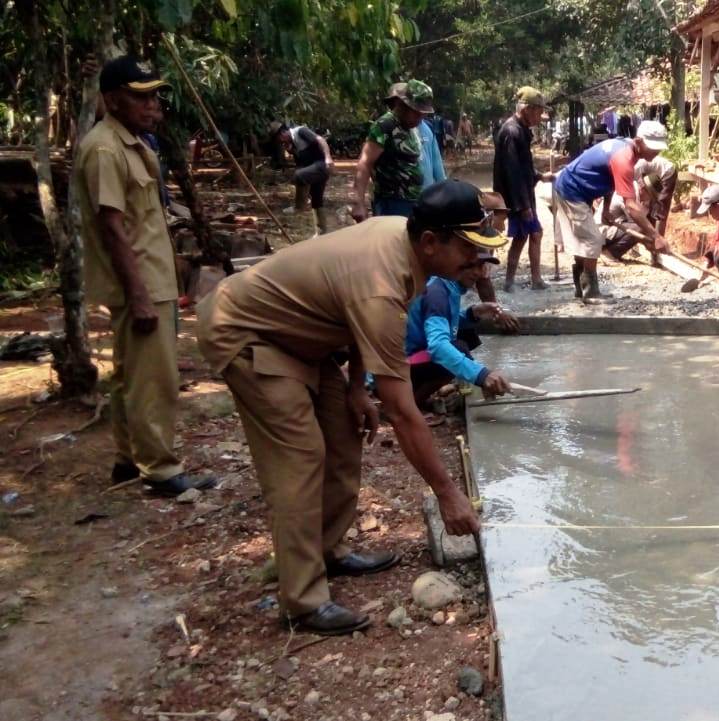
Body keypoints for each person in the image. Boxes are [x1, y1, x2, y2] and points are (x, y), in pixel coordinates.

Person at [196, 180, 505, 635]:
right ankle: (303, 599)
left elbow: (357, 316)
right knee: (300, 457)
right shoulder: (382, 280)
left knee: (343, 430)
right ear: (430, 242)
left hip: (307, 336)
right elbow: (402, 410)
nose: (476, 262)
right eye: (469, 250)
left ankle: (329, 549)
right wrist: (448, 494)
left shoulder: (404, 241)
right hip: (249, 332)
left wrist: (358, 388)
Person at [72, 56, 215, 497]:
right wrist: (139, 295)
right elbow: (113, 227)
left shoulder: (134, 143)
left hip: (153, 278)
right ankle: (160, 468)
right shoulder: (105, 149)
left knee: (130, 375)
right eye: (141, 97)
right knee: (154, 378)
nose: (153, 105)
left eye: (155, 95)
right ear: (113, 100)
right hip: (141, 283)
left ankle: (129, 460)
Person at [551, 120, 669, 301]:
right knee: (592, 240)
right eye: (653, 148)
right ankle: (590, 292)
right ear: (638, 141)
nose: (656, 152)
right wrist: (656, 236)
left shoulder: (625, 150)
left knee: (584, 240)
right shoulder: (623, 158)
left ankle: (581, 287)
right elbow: (631, 206)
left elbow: (610, 180)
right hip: (572, 190)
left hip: (579, 190)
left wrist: (606, 208)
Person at [405, 253, 518, 407]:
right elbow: (438, 346)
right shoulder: (437, 293)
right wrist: (481, 375)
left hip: (409, 358)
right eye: (471, 265)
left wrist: (473, 313)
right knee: (458, 349)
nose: (477, 272)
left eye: (480, 266)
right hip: (399, 368)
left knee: (467, 334)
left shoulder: (447, 286)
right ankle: (411, 403)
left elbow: (442, 319)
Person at [494, 87, 554, 292]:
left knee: (524, 236)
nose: (539, 116)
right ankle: (531, 280)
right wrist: (523, 205)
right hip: (517, 198)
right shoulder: (512, 132)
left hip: (522, 195)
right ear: (527, 109)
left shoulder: (520, 130)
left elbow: (523, 166)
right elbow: (512, 172)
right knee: (534, 233)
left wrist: (539, 176)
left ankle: (512, 281)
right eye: (538, 111)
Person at [351, 80, 435, 221]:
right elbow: (365, 163)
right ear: (403, 105)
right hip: (391, 203)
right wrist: (358, 203)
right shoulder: (385, 125)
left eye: (423, 114)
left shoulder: (410, 127)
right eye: (416, 113)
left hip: (413, 201)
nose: (420, 119)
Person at [601, 156, 676, 266]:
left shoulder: (641, 200)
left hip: (613, 231)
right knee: (641, 226)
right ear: (643, 189)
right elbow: (638, 223)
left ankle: (611, 249)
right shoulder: (628, 193)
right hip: (603, 230)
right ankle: (610, 254)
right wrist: (653, 241)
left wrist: (651, 242)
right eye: (651, 196)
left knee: (644, 226)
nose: (650, 201)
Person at [270, 121, 334, 234]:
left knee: (298, 176)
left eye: (281, 139)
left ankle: (299, 207)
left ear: (283, 133)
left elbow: (321, 140)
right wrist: (291, 150)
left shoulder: (301, 131)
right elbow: (301, 163)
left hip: (322, 165)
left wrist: (328, 157)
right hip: (315, 170)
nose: (281, 142)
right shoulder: (293, 144)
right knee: (317, 201)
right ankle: (322, 232)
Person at [417, 114, 447, 188]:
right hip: (402, 196)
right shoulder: (392, 127)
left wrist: (444, 188)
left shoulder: (428, 127)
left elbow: (436, 161)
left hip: (427, 192)